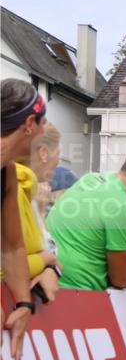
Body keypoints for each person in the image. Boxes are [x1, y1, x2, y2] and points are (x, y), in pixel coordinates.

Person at [46, 141, 126, 335]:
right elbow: (119, 279)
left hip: (46, 287)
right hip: (79, 300)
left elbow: (125, 253)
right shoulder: (124, 206)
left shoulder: (91, 179)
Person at [1, 79, 47, 360]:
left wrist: (23, 304)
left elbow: (11, 246)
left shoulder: (7, 173)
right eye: (43, 125)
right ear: (29, 123)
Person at [14, 123, 62, 305]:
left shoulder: (31, 193)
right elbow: (8, 264)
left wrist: (52, 268)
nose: (57, 164)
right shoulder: (16, 189)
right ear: (43, 153)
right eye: (58, 156)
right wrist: (49, 260)